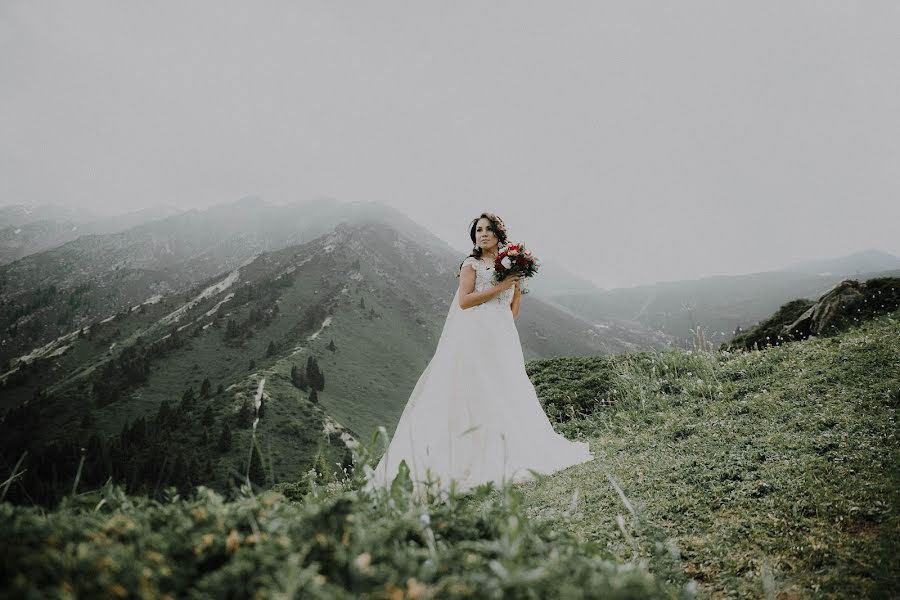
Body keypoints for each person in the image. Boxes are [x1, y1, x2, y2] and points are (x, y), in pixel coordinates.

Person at [365, 212, 593, 493]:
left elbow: (511, 311)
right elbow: (464, 301)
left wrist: (515, 287)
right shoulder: (471, 264)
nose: (482, 234)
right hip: (476, 336)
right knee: (479, 390)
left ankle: (511, 448)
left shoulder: (507, 268)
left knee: (506, 388)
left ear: (499, 234)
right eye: (478, 230)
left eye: (487, 229)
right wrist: (500, 286)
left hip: (502, 335)